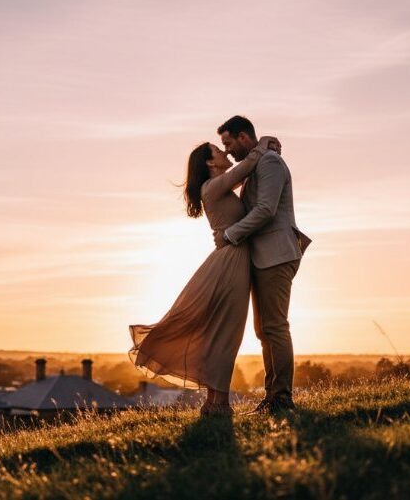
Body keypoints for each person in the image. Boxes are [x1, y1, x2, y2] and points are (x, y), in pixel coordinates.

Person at [129, 134, 279, 416]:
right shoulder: (212, 187)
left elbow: (245, 175)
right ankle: (219, 403)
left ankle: (214, 402)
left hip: (231, 261)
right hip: (230, 263)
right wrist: (265, 142)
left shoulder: (218, 187)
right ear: (210, 162)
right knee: (227, 335)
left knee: (221, 334)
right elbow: (247, 166)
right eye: (217, 150)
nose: (224, 152)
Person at [215, 115, 311, 414]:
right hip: (263, 256)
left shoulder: (270, 163)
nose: (227, 150)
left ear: (243, 137)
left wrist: (230, 235)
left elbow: (266, 210)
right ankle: (272, 397)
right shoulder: (257, 162)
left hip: (276, 255)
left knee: (275, 327)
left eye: (228, 143)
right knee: (264, 330)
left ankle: (281, 398)